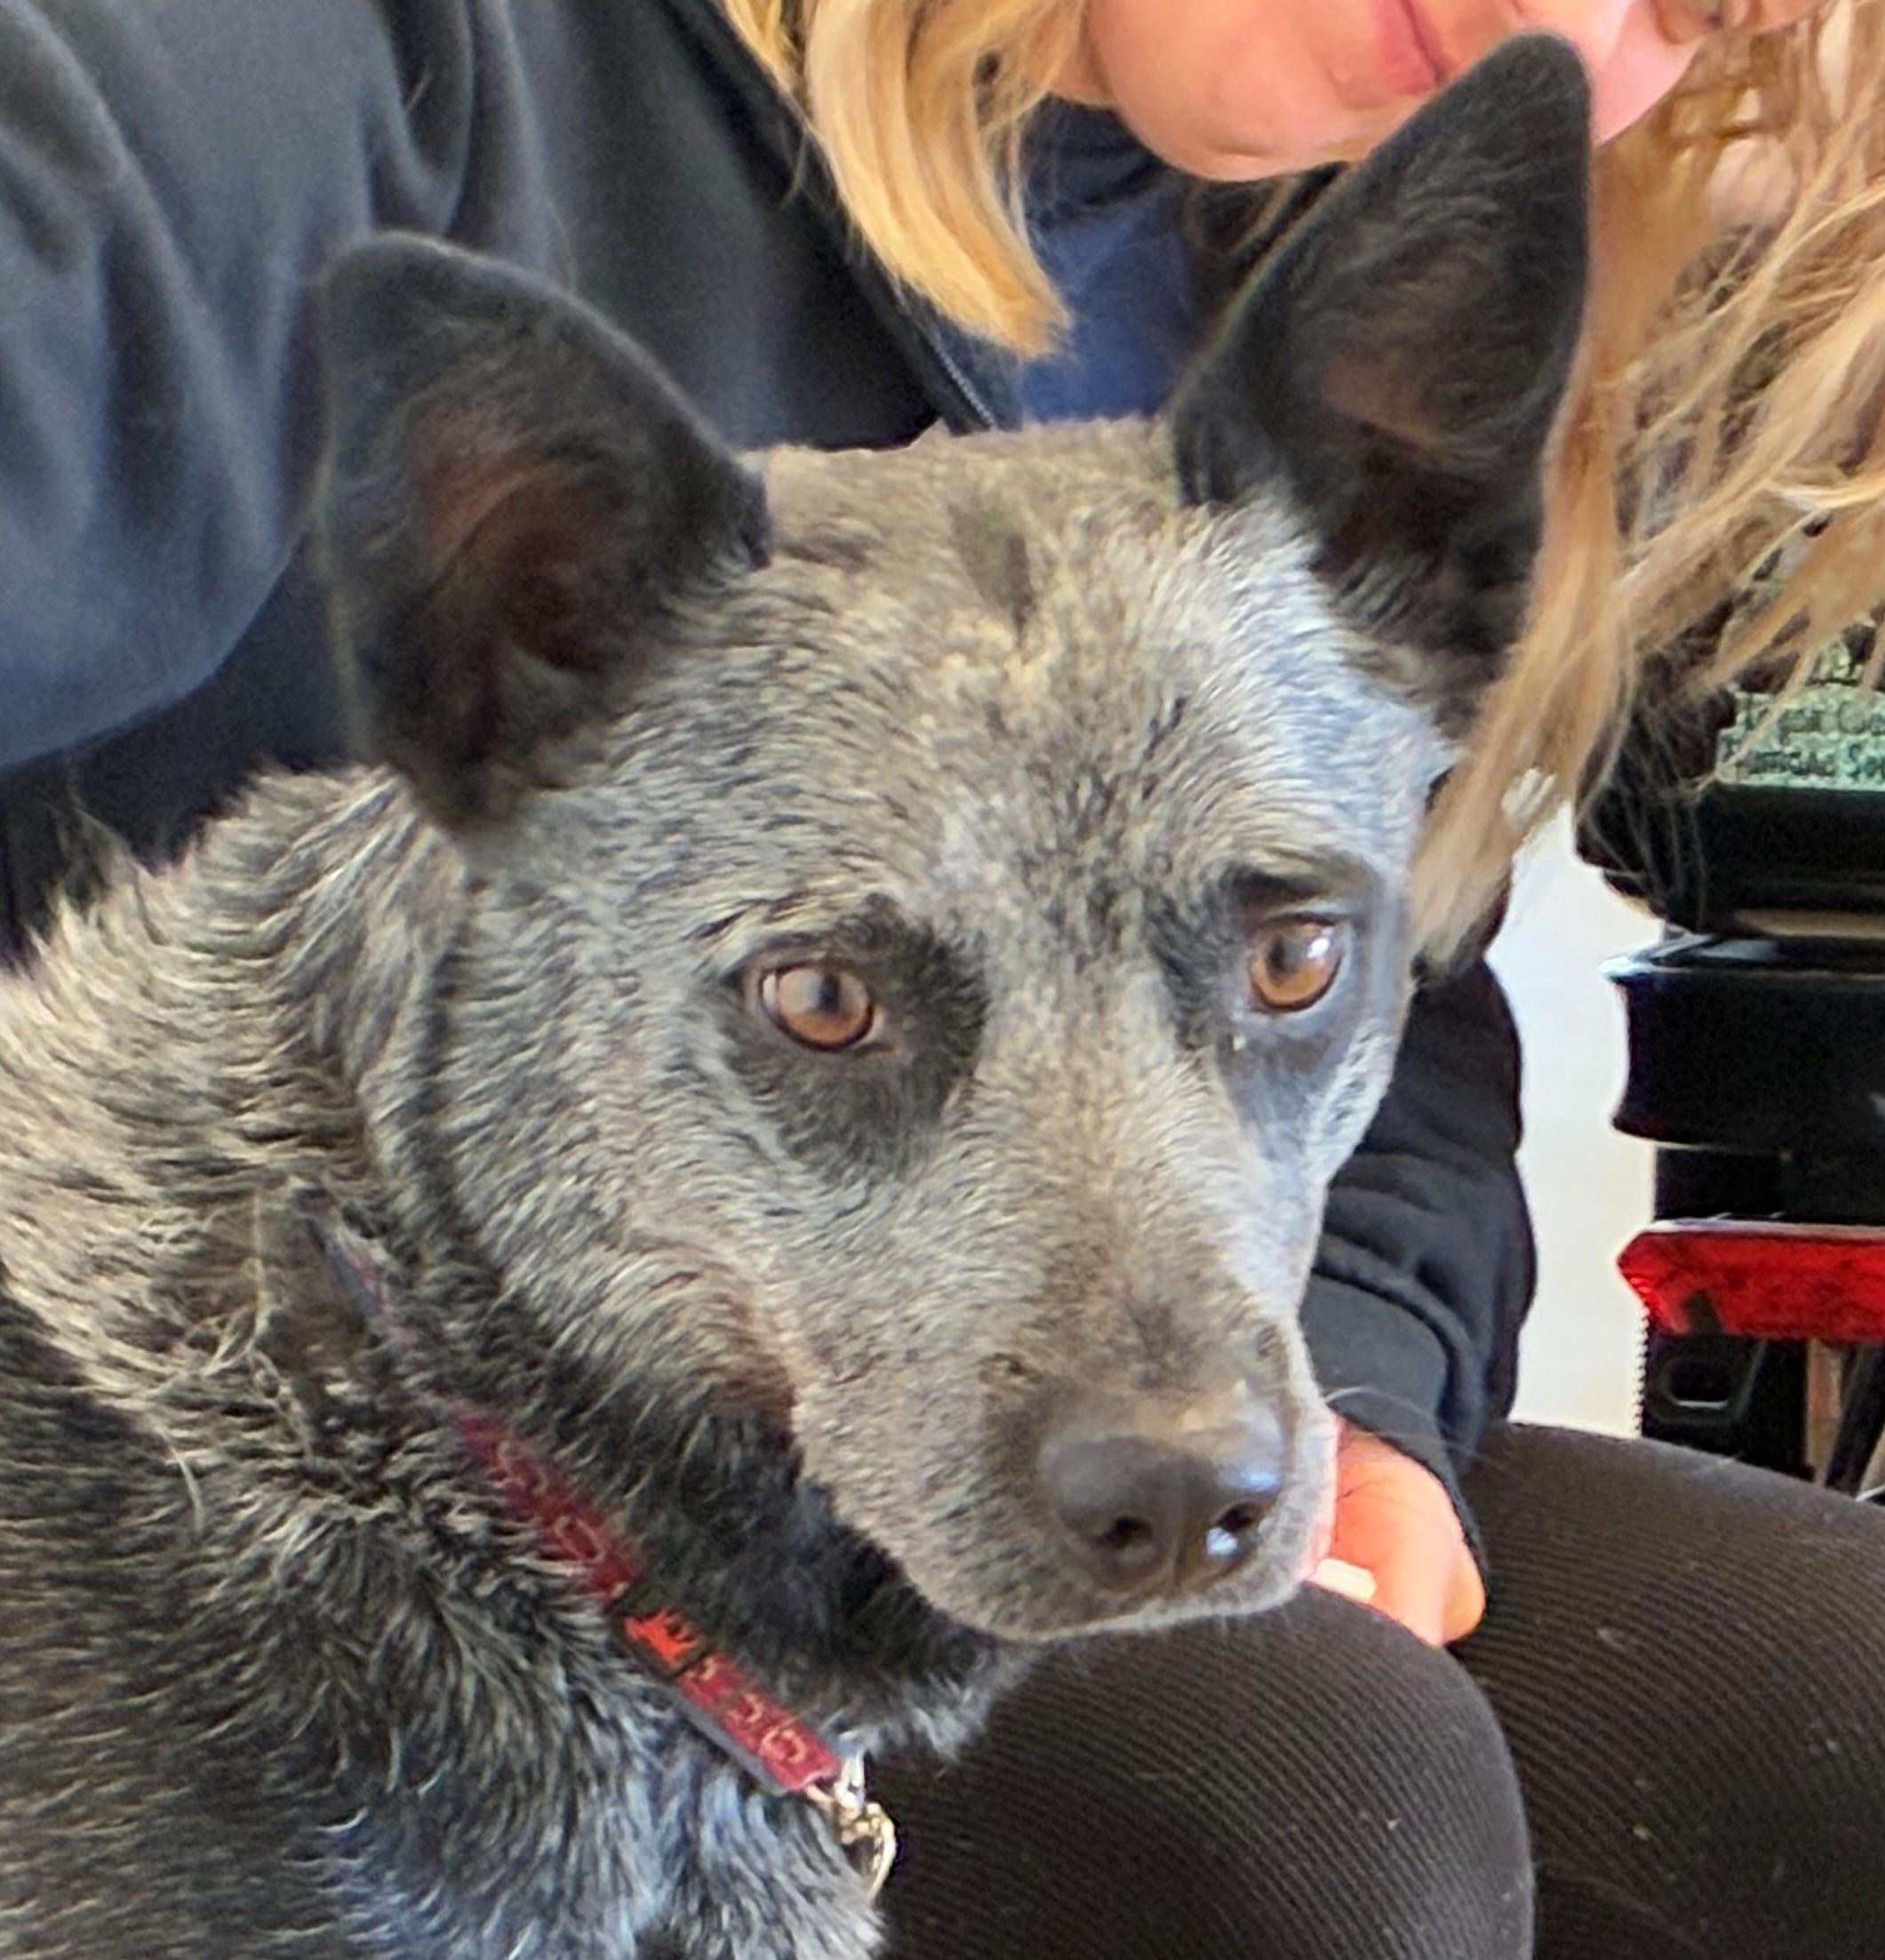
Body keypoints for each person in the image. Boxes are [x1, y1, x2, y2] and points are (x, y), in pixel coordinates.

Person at [0, 1, 1881, 1953]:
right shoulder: (293, 78)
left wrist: (1364, 1368)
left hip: (837, 1570)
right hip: (291, 1479)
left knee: (1838, 1704)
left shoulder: (1294, 252)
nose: (1557, 20)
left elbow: (1394, 1004)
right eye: (830, 1003)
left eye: (1691, 1)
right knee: (1316, 1801)